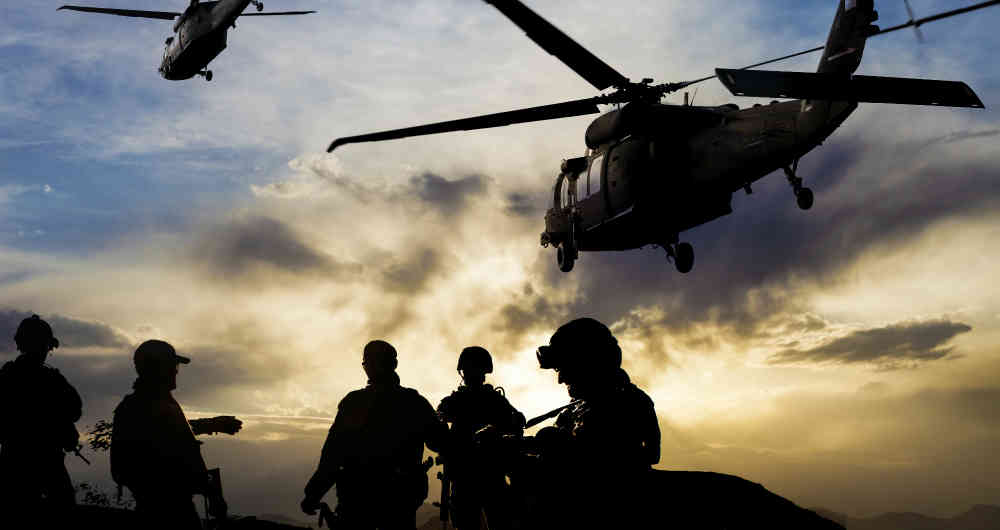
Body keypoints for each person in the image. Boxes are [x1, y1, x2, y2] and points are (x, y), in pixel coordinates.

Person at [527, 317, 660, 527]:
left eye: (565, 368)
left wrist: (561, 445)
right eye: (558, 369)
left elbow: (650, 455)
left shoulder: (629, 400)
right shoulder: (576, 408)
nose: (561, 379)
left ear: (589, 363)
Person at [301, 340, 448, 530]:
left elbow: (332, 455)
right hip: (400, 500)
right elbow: (440, 443)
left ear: (367, 367)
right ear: (394, 365)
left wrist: (313, 494)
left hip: (358, 499)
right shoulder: (415, 403)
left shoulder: (354, 403)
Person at [111, 340, 237, 530]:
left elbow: (172, 436)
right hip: (169, 515)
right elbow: (168, 449)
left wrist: (210, 424)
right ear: (157, 367)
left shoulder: (148, 405)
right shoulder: (148, 407)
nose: (176, 371)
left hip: (163, 509)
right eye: (172, 365)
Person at [0, 314, 82, 524]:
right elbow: (75, 409)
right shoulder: (52, 380)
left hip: (14, 460)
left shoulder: (6, 377)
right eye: (46, 346)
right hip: (46, 461)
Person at [437, 346, 524, 530]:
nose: (471, 373)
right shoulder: (483, 400)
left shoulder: (463, 401)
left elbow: (517, 423)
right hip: (474, 475)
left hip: (482, 474)